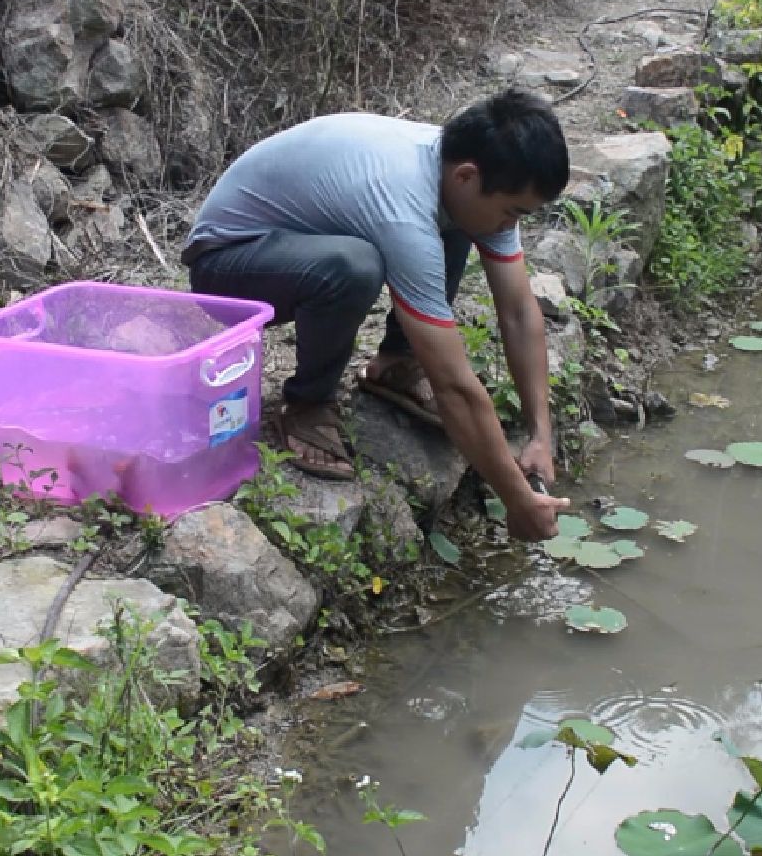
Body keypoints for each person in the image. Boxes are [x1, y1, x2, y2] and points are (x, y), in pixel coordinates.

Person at [181, 87, 572, 542]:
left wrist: (541, 435)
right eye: (511, 212)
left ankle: (396, 364)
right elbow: (454, 386)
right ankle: (307, 403)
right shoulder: (404, 198)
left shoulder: (463, 178)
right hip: (229, 265)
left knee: (460, 224)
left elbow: (521, 314)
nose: (511, 225)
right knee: (352, 267)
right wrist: (517, 501)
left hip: (300, 241)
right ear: (469, 177)